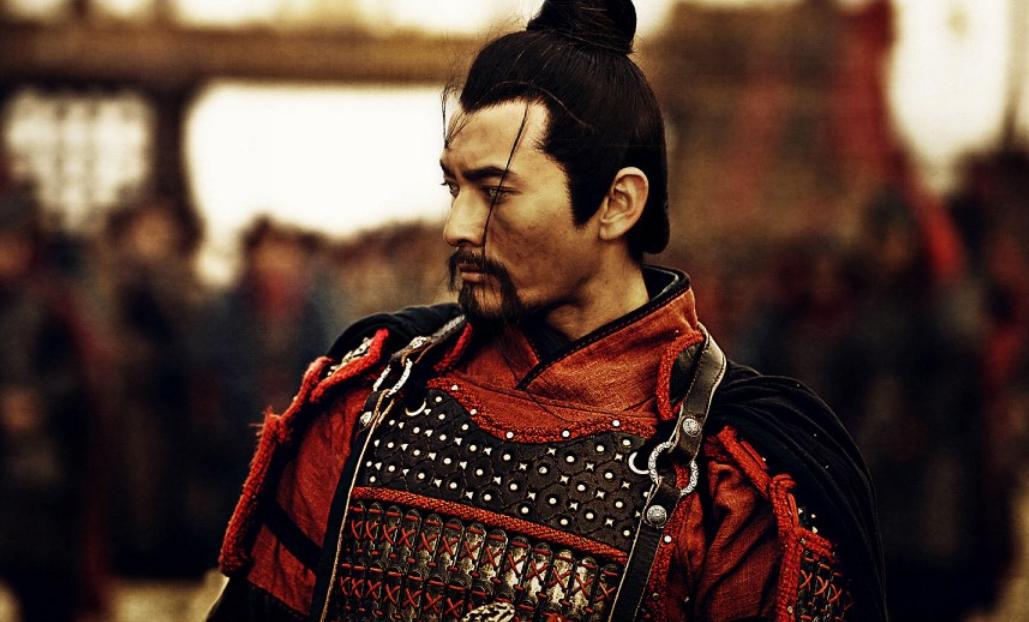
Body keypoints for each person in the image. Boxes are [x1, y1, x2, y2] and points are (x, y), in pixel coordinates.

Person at [207, 1, 886, 620]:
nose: (456, 226)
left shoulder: (732, 476)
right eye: (454, 188)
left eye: (495, 192)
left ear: (617, 203)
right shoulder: (373, 403)